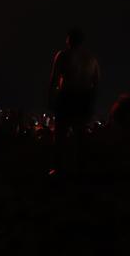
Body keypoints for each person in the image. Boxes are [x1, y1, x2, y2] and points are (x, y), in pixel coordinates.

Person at [48, 28, 100, 173]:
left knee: (60, 135)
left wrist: (51, 98)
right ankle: (81, 167)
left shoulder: (63, 55)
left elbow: (54, 78)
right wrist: (91, 101)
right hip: (84, 98)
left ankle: (58, 167)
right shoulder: (91, 59)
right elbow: (96, 82)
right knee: (81, 134)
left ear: (69, 40)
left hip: (67, 97)